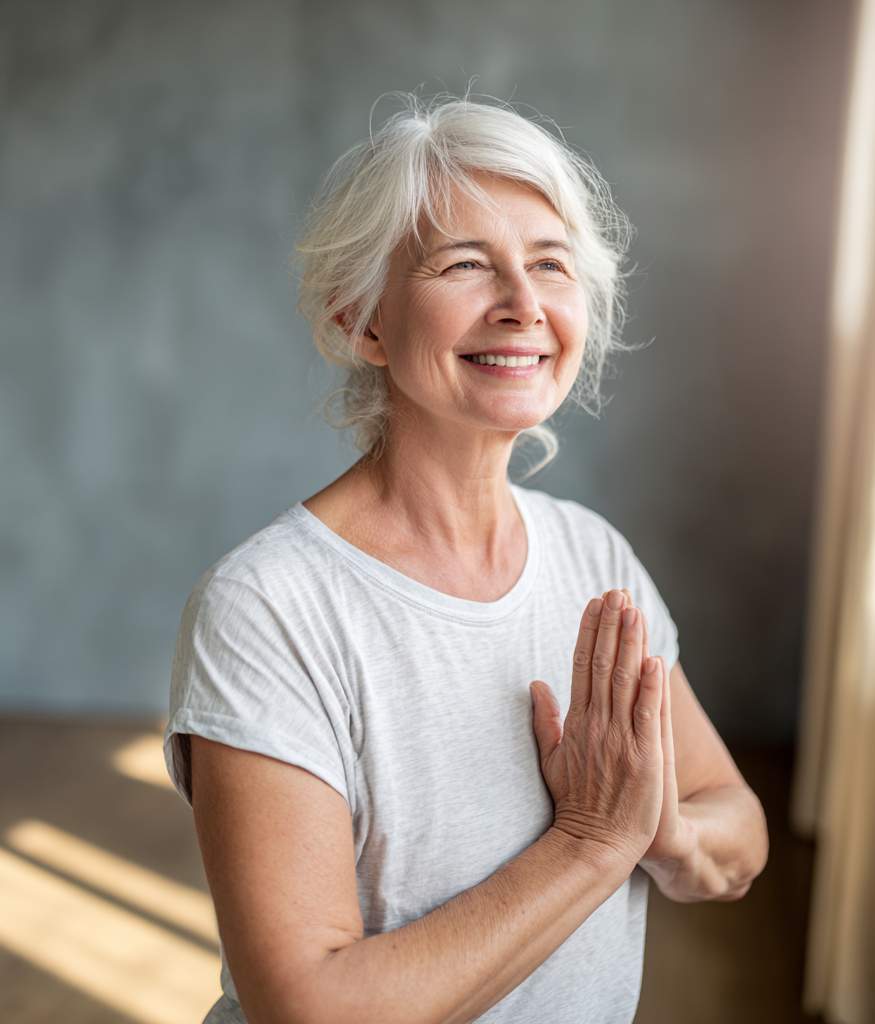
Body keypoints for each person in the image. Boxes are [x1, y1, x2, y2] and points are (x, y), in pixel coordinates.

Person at [165, 95, 768, 1024]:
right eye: (466, 264)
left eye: (550, 264)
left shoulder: (591, 553)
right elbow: (309, 1006)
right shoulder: (267, 606)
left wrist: (665, 829)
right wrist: (592, 843)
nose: (523, 305)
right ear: (364, 323)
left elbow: (737, 827)